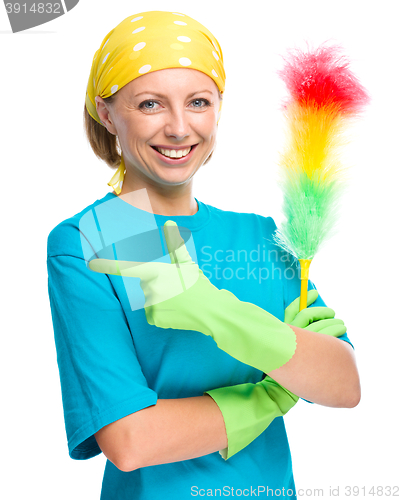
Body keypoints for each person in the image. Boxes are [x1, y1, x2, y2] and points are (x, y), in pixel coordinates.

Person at [46, 11, 360, 499]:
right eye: (150, 104)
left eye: (197, 102)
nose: (178, 127)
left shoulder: (259, 237)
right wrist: (271, 396)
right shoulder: (104, 233)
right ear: (106, 114)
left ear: (218, 109)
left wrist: (211, 309)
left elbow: (343, 384)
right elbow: (131, 440)